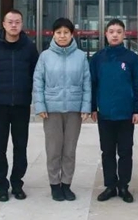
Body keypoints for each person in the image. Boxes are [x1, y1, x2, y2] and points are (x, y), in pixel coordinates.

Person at [33, 18, 91, 202]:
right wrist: (40, 105)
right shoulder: (45, 56)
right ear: (53, 34)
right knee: (53, 150)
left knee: (69, 150)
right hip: (51, 111)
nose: (62, 36)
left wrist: (86, 107)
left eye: (66, 32)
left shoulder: (80, 56)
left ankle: (66, 184)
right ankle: (54, 185)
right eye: (59, 32)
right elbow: (38, 82)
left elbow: (87, 83)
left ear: (72, 34)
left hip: (74, 110)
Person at [0, 9, 39, 202]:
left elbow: (34, 72)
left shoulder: (29, 47)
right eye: (10, 22)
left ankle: (17, 183)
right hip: (0, 104)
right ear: (4, 24)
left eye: (17, 22)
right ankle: (2, 184)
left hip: (21, 104)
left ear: (22, 24)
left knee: (20, 146)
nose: (14, 25)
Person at [90, 19, 138, 204]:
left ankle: (123, 186)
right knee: (107, 152)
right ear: (106, 34)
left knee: (125, 151)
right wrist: (92, 107)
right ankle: (110, 185)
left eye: (119, 32)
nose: (115, 35)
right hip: (105, 113)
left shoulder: (132, 58)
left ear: (124, 34)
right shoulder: (97, 58)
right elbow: (92, 84)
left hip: (126, 113)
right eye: (111, 31)